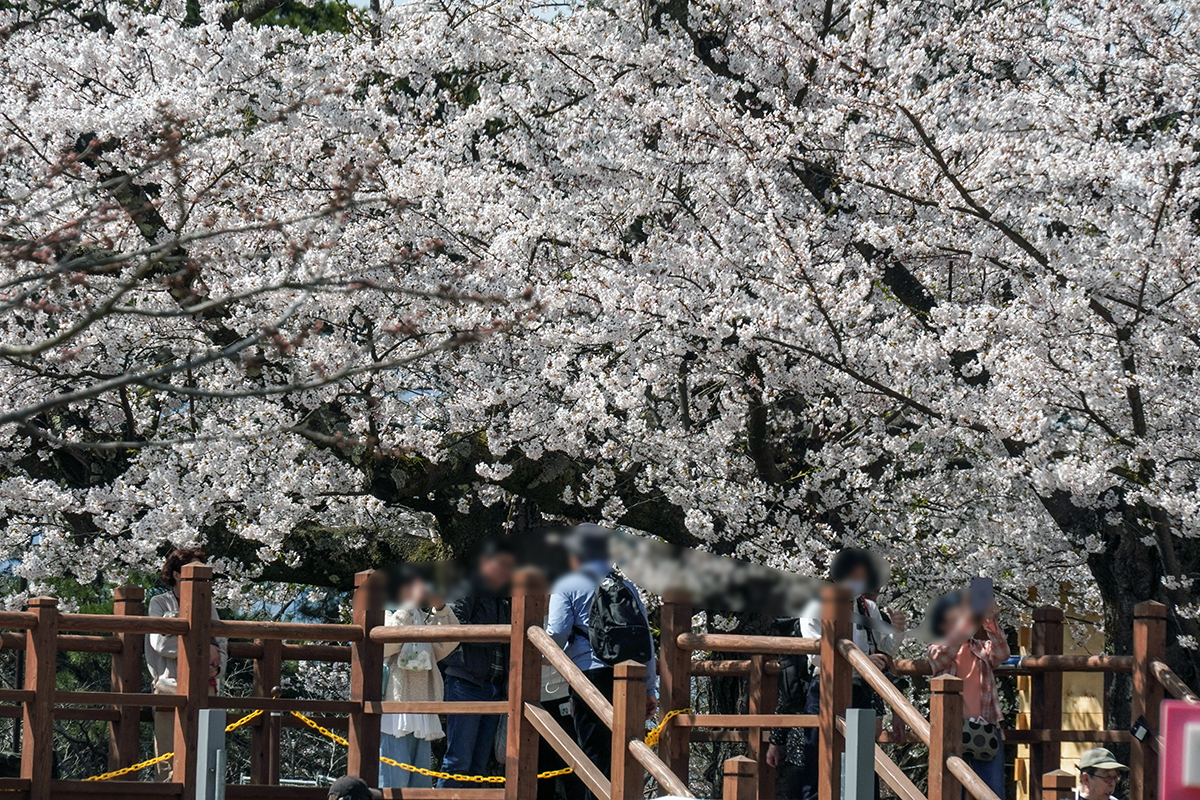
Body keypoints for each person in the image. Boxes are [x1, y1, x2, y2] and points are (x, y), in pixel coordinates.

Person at [767, 547, 896, 800]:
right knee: (819, 760)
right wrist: (862, 662)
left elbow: (884, 647)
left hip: (859, 690)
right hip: (824, 687)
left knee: (862, 764)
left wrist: (896, 632)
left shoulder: (868, 607)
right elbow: (816, 654)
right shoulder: (816, 604)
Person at [546, 524, 658, 800]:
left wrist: (541, 657)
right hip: (629, 679)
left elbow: (557, 632)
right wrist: (649, 689)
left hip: (590, 677)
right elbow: (646, 642)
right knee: (623, 756)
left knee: (593, 756)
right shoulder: (626, 586)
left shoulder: (568, 583)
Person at [145, 548, 228, 781]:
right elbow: (160, 643)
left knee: (206, 756)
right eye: (192, 571)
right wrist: (202, 650)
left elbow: (221, 642)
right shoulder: (159, 603)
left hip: (207, 684)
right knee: (168, 755)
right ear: (176, 574)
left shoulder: (208, 605)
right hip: (169, 685)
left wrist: (217, 666)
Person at [438, 539, 516, 788]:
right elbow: (453, 625)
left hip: (493, 687)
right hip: (466, 681)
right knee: (457, 761)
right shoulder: (466, 587)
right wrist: (494, 634)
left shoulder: (504, 599)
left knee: (478, 765)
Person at [379, 565, 459, 788]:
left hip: (422, 706)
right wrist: (407, 607)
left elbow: (448, 642)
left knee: (419, 785)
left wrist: (440, 607)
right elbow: (385, 645)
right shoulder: (384, 611)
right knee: (393, 781)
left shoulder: (420, 616)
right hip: (394, 706)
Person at [927, 588, 1011, 798]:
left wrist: (990, 622)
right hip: (952, 730)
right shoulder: (936, 646)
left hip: (986, 727)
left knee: (993, 790)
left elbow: (1002, 653)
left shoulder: (980, 648)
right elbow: (943, 654)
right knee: (955, 790)